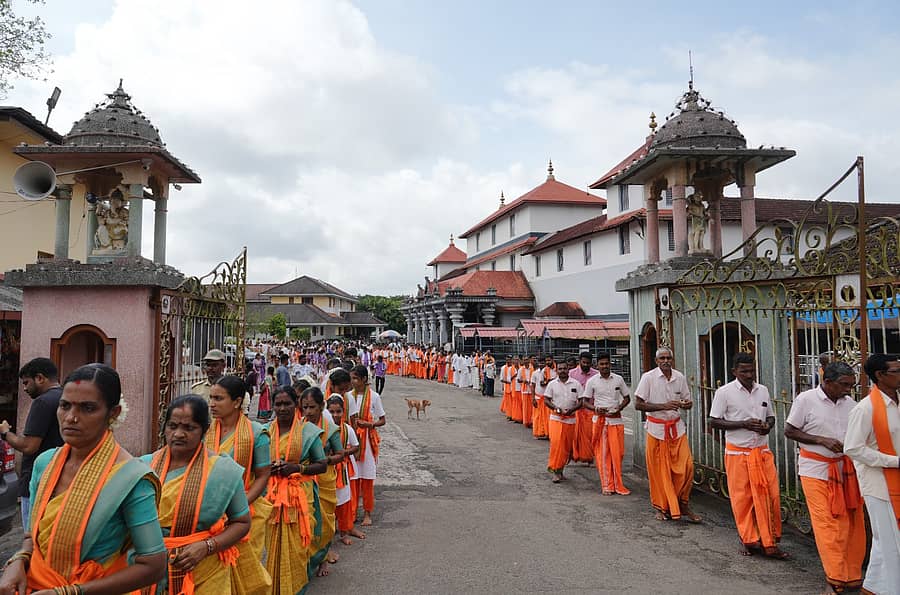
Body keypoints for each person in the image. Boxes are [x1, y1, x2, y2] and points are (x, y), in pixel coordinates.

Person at [0, 364, 166, 594]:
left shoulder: (131, 480)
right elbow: (32, 535)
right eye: (65, 406)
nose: (71, 417)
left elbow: (154, 566)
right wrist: (18, 560)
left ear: (113, 413)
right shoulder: (45, 463)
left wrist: (72, 592)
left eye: (87, 408)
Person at [143, 395, 251, 594]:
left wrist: (207, 546)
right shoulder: (144, 467)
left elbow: (242, 522)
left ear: (205, 429)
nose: (178, 434)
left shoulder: (222, 471)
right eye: (172, 426)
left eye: (189, 428)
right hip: (148, 571)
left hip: (204, 571)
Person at [785, 361, 864, 593]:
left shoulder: (851, 404)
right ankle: (835, 578)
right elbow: (789, 431)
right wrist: (821, 440)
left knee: (851, 524)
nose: (848, 389)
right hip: (815, 470)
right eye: (844, 385)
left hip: (845, 471)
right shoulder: (806, 400)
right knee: (827, 525)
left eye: (851, 385)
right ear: (827, 382)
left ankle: (852, 576)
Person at [709, 353, 785, 558]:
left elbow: (770, 416)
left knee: (770, 496)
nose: (749, 375)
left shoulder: (763, 390)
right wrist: (742, 424)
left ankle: (769, 539)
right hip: (737, 452)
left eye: (751, 370)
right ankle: (749, 539)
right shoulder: (724, 392)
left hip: (762, 452)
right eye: (744, 371)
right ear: (734, 372)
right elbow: (714, 421)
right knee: (743, 499)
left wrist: (767, 426)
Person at [206, 376, 272, 594]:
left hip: (247, 511)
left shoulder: (256, 433)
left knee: (246, 574)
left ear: (236, 402)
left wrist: (239, 505)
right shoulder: (204, 431)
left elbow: (263, 475)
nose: (212, 404)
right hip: (211, 512)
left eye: (218, 398)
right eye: (211, 398)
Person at [844, 353, 900, 595]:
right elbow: (853, 448)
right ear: (880, 376)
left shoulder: (898, 402)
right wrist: (893, 461)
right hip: (880, 485)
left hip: (896, 478)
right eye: (896, 371)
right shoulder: (865, 409)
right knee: (892, 543)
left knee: (884, 541)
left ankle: (874, 588)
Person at [266, 386, 327, 594]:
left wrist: (296, 468)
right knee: (272, 548)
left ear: (296, 405)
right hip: (272, 498)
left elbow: (322, 464)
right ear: (272, 406)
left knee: (298, 550)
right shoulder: (265, 432)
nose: (282, 408)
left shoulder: (308, 432)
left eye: (287, 404)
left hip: (300, 496)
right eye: (278, 404)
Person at [634, 347, 701, 522]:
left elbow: (688, 400)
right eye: (662, 358)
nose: (665, 361)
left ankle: (682, 504)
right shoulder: (648, 378)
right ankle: (660, 507)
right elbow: (638, 405)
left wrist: (686, 404)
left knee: (687, 467)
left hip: (677, 429)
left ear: (672, 359)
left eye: (668, 358)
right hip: (656, 431)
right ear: (656, 361)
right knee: (659, 472)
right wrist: (663, 406)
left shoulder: (680, 377)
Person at [0, 357, 64, 530]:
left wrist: (5, 433)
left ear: (40, 378)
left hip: (36, 481)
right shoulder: (63, 398)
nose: (25, 388)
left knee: (33, 536)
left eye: (26, 382)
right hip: (58, 478)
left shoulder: (42, 402)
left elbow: (29, 446)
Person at [299, 387, 344, 579]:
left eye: (312, 407)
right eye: (305, 407)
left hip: (324, 479)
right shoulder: (298, 426)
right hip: (304, 480)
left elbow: (341, 454)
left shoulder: (331, 429)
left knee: (324, 523)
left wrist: (325, 461)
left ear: (321, 406)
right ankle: (306, 558)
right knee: (306, 521)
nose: (308, 412)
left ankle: (322, 558)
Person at [581, 352, 631, 495]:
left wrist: (619, 408)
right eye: (602, 364)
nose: (604, 366)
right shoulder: (592, 381)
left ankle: (618, 484)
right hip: (600, 421)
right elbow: (585, 401)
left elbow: (627, 398)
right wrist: (596, 409)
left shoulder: (619, 379)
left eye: (607, 364)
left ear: (610, 364)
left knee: (618, 453)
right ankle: (607, 485)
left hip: (616, 420)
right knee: (603, 454)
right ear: (597, 365)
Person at [350, 365, 385, 527]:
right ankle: (352, 512)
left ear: (364, 379)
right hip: (352, 442)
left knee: (367, 477)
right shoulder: (348, 396)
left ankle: (367, 513)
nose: (353, 382)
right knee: (353, 478)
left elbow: (382, 420)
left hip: (367, 443)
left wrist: (370, 424)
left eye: (356, 378)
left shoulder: (374, 396)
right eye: (352, 378)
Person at [327, 396, 366, 546]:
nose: (335, 415)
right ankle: (328, 536)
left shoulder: (347, 429)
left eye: (338, 411)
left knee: (343, 504)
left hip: (342, 471)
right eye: (331, 412)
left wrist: (344, 453)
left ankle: (344, 532)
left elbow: (356, 446)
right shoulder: (323, 428)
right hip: (327, 473)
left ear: (343, 412)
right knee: (328, 506)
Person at [544, 361, 582, 483]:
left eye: (565, 368)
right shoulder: (552, 384)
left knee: (566, 447)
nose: (562, 371)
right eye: (560, 369)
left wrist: (572, 410)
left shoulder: (576, 384)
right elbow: (546, 400)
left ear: (568, 370)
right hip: (556, 419)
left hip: (571, 420)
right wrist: (556, 408)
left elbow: (581, 401)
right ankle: (554, 470)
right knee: (556, 444)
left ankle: (560, 470)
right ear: (557, 370)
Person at [568, 352, 598, 464]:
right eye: (583, 362)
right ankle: (574, 455)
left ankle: (589, 457)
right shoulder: (571, 373)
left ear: (591, 363)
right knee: (574, 435)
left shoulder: (596, 375)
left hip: (590, 409)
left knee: (590, 434)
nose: (585, 365)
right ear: (579, 361)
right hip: (575, 409)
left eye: (588, 363)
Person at [532, 356, 556, 440]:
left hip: (548, 398)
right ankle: (540, 432)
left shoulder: (554, 371)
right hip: (538, 397)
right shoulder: (537, 373)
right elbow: (538, 384)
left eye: (544, 362)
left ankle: (548, 433)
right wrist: (533, 398)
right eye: (541, 362)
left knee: (548, 417)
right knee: (538, 416)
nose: (542, 364)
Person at [519, 356, 534, 428]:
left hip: (532, 390)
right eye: (524, 360)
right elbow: (518, 380)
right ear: (523, 361)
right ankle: (526, 421)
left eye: (527, 360)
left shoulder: (533, 368)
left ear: (529, 360)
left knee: (532, 407)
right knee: (525, 407)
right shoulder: (521, 369)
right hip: (524, 390)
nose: (526, 361)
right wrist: (523, 381)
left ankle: (532, 421)